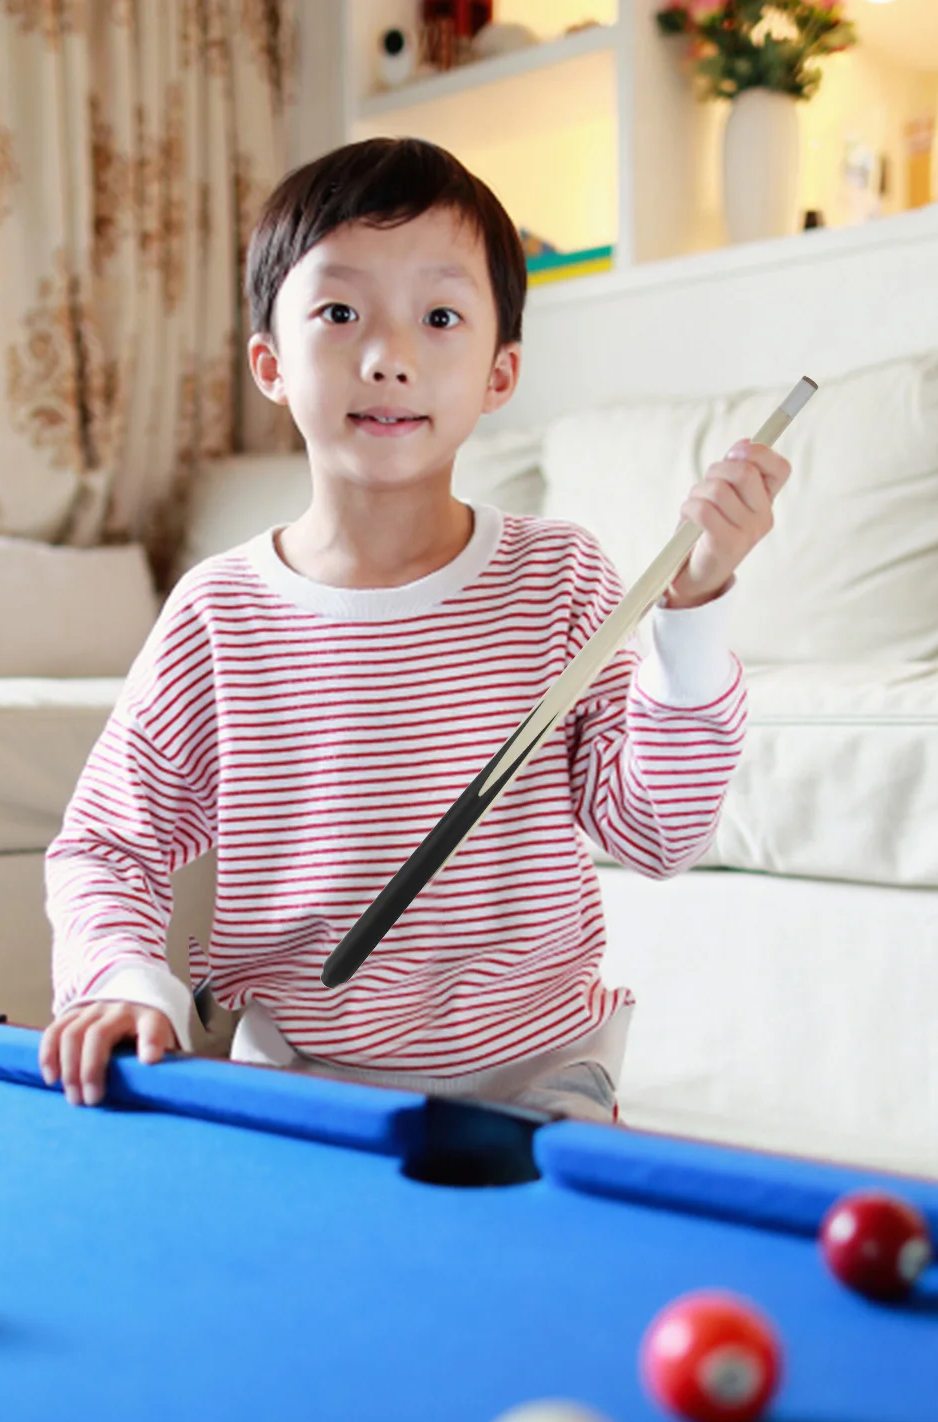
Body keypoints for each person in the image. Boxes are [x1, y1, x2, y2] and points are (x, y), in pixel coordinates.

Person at [40, 137, 791, 1121]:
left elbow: (655, 831)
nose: (388, 357)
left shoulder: (559, 575)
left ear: (499, 371)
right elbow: (108, 845)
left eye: (440, 317)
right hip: (297, 1076)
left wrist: (691, 610)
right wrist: (126, 981)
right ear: (269, 361)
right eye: (340, 312)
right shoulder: (217, 613)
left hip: (540, 1072)